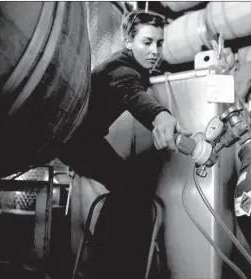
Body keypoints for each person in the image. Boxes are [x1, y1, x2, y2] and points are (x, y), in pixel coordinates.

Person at [60, 11, 191, 279]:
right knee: (131, 187)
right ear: (128, 42)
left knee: (130, 186)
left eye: (159, 43)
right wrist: (161, 115)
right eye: (147, 42)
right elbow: (132, 93)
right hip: (75, 142)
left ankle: (107, 261)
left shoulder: (130, 67)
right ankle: (108, 267)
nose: (155, 51)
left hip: (82, 139)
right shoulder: (121, 69)